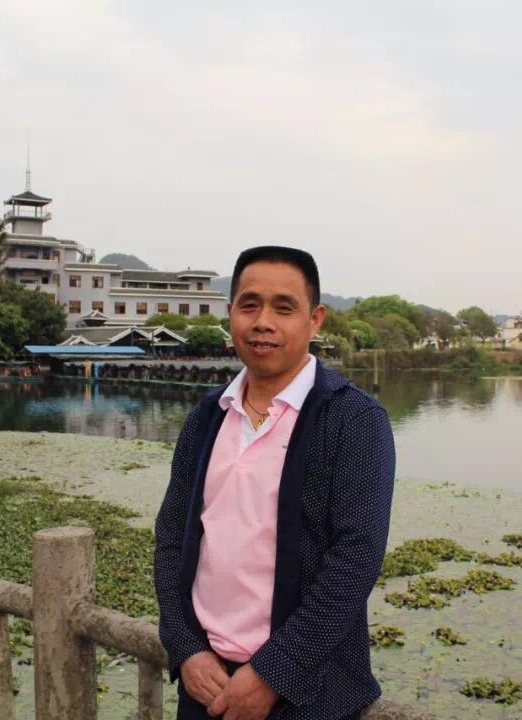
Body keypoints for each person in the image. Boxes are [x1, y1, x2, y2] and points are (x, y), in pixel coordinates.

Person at [154, 246, 396, 720]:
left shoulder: (354, 420)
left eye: (284, 308)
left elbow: (356, 559)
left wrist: (273, 673)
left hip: (307, 694)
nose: (263, 322)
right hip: (205, 685)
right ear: (231, 314)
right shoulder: (207, 416)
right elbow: (171, 538)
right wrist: (185, 647)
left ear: (315, 319)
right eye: (249, 305)